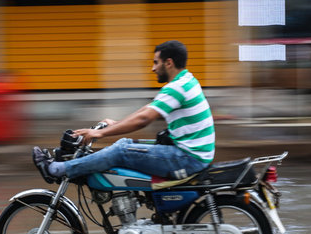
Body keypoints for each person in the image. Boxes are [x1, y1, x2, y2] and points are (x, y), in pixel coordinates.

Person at [33, 40, 215, 183]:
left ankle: (57, 170)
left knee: (121, 151)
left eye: (155, 62)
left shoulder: (177, 87)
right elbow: (148, 109)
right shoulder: (186, 80)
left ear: (168, 63)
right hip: (192, 153)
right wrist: (117, 124)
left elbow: (144, 119)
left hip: (188, 158)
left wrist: (100, 132)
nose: (153, 68)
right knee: (125, 143)